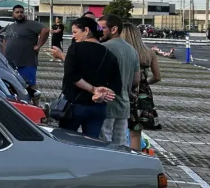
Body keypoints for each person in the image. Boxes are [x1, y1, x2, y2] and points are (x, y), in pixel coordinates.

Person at [50, 17, 120, 139]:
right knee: (92, 143)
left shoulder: (75, 48)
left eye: (75, 32)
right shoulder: (109, 54)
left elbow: (71, 75)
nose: (73, 36)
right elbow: (116, 84)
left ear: (86, 30)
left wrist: (93, 89)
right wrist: (103, 95)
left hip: (74, 106)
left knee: (66, 141)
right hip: (98, 107)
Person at [97, 15, 141, 147]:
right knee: (121, 144)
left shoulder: (103, 48)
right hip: (124, 105)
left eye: (102, 28)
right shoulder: (132, 50)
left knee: (104, 143)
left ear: (114, 29)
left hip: (106, 104)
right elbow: (136, 79)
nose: (99, 31)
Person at [122, 23, 163, 149]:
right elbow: (157, 77)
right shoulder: (149, 53)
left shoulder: (122, 52)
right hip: (142, 95)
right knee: (136, 133)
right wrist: (145, 83)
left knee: (118, 129)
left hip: (125, 92)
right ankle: (135, 160)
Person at [2, 5, 50, 101]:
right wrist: (3, 52)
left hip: (27, 62)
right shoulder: (10, 26)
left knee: (31, 86)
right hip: (11, 63)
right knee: (13, 86)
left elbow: (45, 30)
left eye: (21, 12)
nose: (20, 14)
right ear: (13, 14)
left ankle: (37, 109)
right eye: (17, 12)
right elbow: (5, 40)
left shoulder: (30, 24)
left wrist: (39, 45)